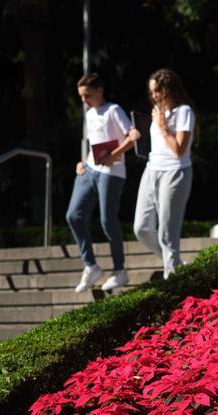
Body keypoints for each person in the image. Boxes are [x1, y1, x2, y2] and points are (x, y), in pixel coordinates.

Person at [67, 73, 140, 293]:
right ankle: (91, 266)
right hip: (90, 169)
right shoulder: (89, 114)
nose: (84, 100)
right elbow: (93, 143)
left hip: (112, 172)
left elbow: (134, 135)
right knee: (73, 215)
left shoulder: (113, 110)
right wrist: (83, 161)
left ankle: (120, 271)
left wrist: (114, 154)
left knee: (108, 221)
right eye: (81, 96)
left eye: (87, 95)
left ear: (99, 90)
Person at [133, 68, 195, 279]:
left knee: (167, 234)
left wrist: (162, 126)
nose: (154, 96)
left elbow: (178, 150)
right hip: (152, 169)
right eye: (151, 92)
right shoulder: (158, 113)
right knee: (141, 228)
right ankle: (175, 261)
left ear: (168, 89)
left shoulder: (184, 112)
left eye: (157, 91)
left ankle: (173, 277)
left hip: (175, 172)